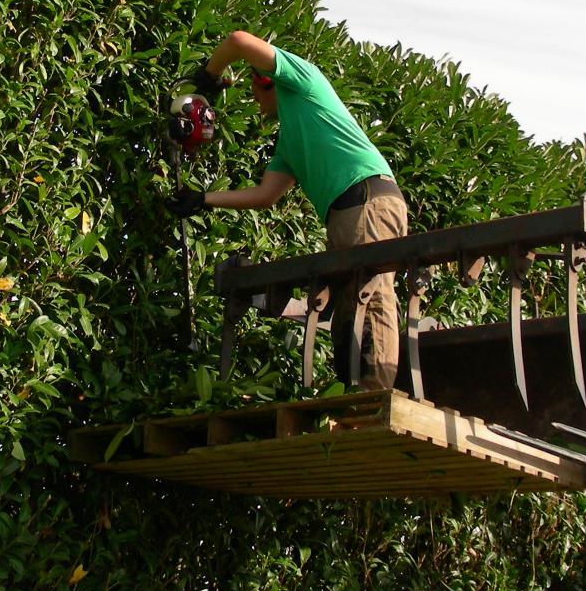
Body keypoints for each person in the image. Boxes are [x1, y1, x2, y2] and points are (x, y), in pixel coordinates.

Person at [169, 30, 408, 390]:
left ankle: (375, 397)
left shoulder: (304, 81)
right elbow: (267, 194)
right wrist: (203, 199)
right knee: (351, 304)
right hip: (349, 210)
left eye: (254, 90)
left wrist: (209, 77)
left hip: (365, 198)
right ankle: (357, 393)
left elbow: (237, 41)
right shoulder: (290, 139)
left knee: (368, 295)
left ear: (267, 81)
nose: (254, 101)